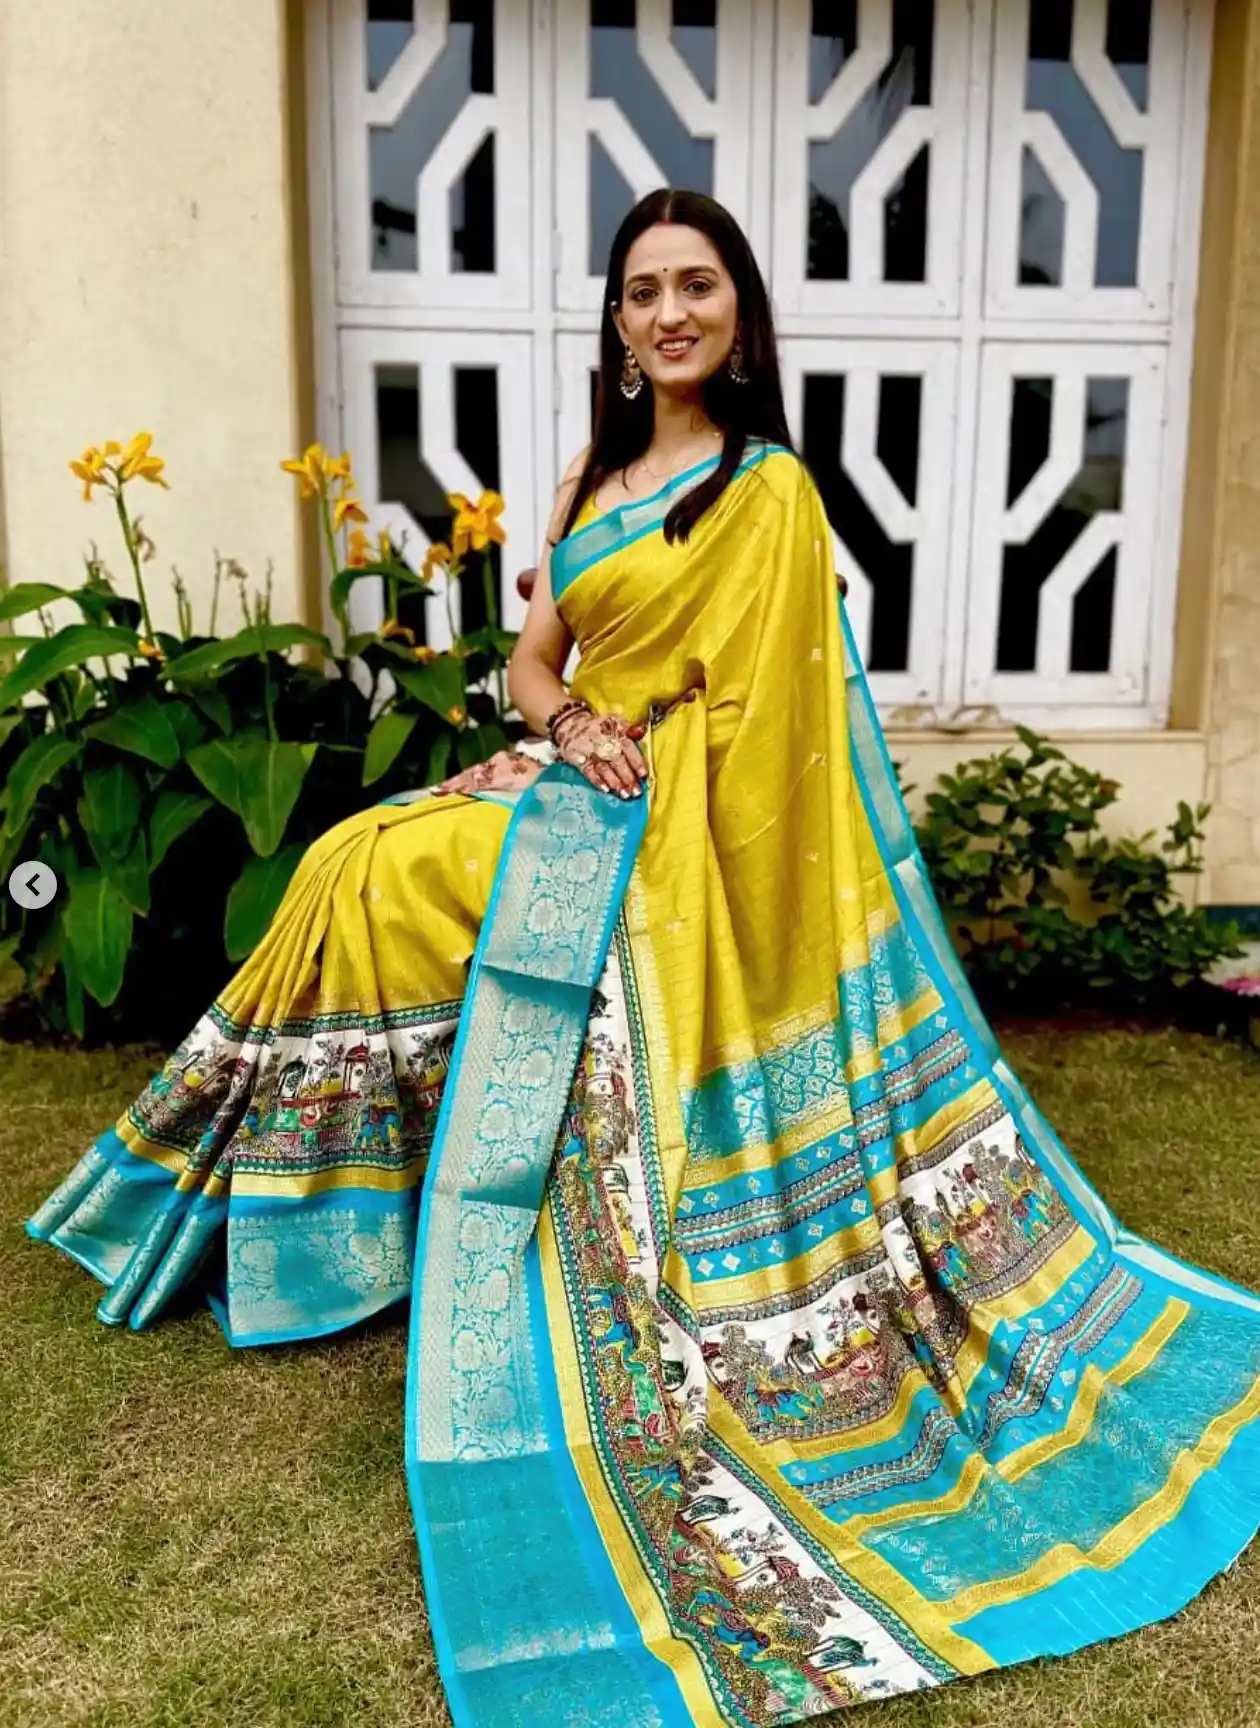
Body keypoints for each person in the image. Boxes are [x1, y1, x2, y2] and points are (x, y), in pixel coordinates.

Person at [26, 189, 1260, 1726]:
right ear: (617, 323)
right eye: (642, 291)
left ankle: (408, 1217)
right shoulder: (594, 478)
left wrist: (643, 767)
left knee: (405, 876)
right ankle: (316, 1244)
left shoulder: (768, 489)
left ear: (739, 312)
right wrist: (561, 730)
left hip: (683, 827)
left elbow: (772, 719)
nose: (669, 312)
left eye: (697, 285)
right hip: (577, 779)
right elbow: (535, 658)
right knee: (351, 863)